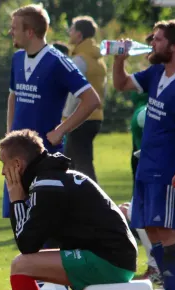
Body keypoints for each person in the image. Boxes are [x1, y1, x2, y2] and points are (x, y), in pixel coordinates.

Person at [113, 20, 175, 290]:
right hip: (146, 164)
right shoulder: (155, 73)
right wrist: (120, 60)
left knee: (167, 229)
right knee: (151, 228)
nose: (152, 43)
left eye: (158, 39)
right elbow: (121, 84)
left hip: (169, 167)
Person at [0, 129, 137, 290]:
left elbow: (27, 244)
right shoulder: (53, 177)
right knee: (29, 262)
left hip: (109, 262)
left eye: (3, 163)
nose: (1, 171)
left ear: (17, 164)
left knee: (21, 265)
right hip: (115, 257)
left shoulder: (46, 184)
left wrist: (16, 200)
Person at [2, 4, 101, 219]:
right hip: (16, 155)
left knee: (44, 221)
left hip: (43, 155)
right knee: (18, 218)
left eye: (15, 27)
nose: (11, 32)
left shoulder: (58, 61)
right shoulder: (17, 59)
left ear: (30, 32)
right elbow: (13, 96)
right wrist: (10, 134)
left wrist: (60, 130)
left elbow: (91, 99)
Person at [62, 16, 107, 182]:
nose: (70, 32)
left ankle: (94, 202)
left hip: (80, 118)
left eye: (72, 29)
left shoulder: (79, 60)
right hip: (96, 117)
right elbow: (104, 89)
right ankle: (72, 200)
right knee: (70, 161)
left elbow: (74, 93)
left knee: (82, 164)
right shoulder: (99, 61)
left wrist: (66, 118)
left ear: (79, 35)